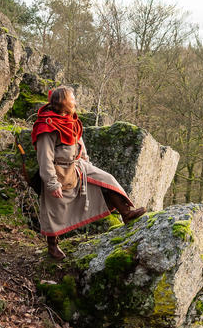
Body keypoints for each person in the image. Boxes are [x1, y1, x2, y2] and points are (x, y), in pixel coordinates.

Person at [31, 86, 145, 260]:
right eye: (72, 98)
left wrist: (85, 159)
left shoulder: (71, 120)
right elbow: (44, 158)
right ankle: (52, 246)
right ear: (63, 102)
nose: (75, 101)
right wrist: (52, 183)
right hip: (58, 170)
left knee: (107, 179)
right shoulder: (46, 126)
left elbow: (79, 141)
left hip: (78, 165)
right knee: (55, 208)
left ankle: (126, 213)